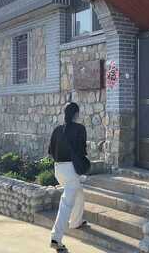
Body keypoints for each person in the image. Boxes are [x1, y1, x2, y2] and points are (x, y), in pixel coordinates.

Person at [49, 102, 88, 252]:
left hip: (58, 169)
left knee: (79, 194)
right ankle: (55, 238)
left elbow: (51, 151)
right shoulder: (80, 128)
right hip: (71, 169)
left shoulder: (57, 130)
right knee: (66, 204)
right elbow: (82, 150)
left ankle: (76, 222)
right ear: (76, 114)